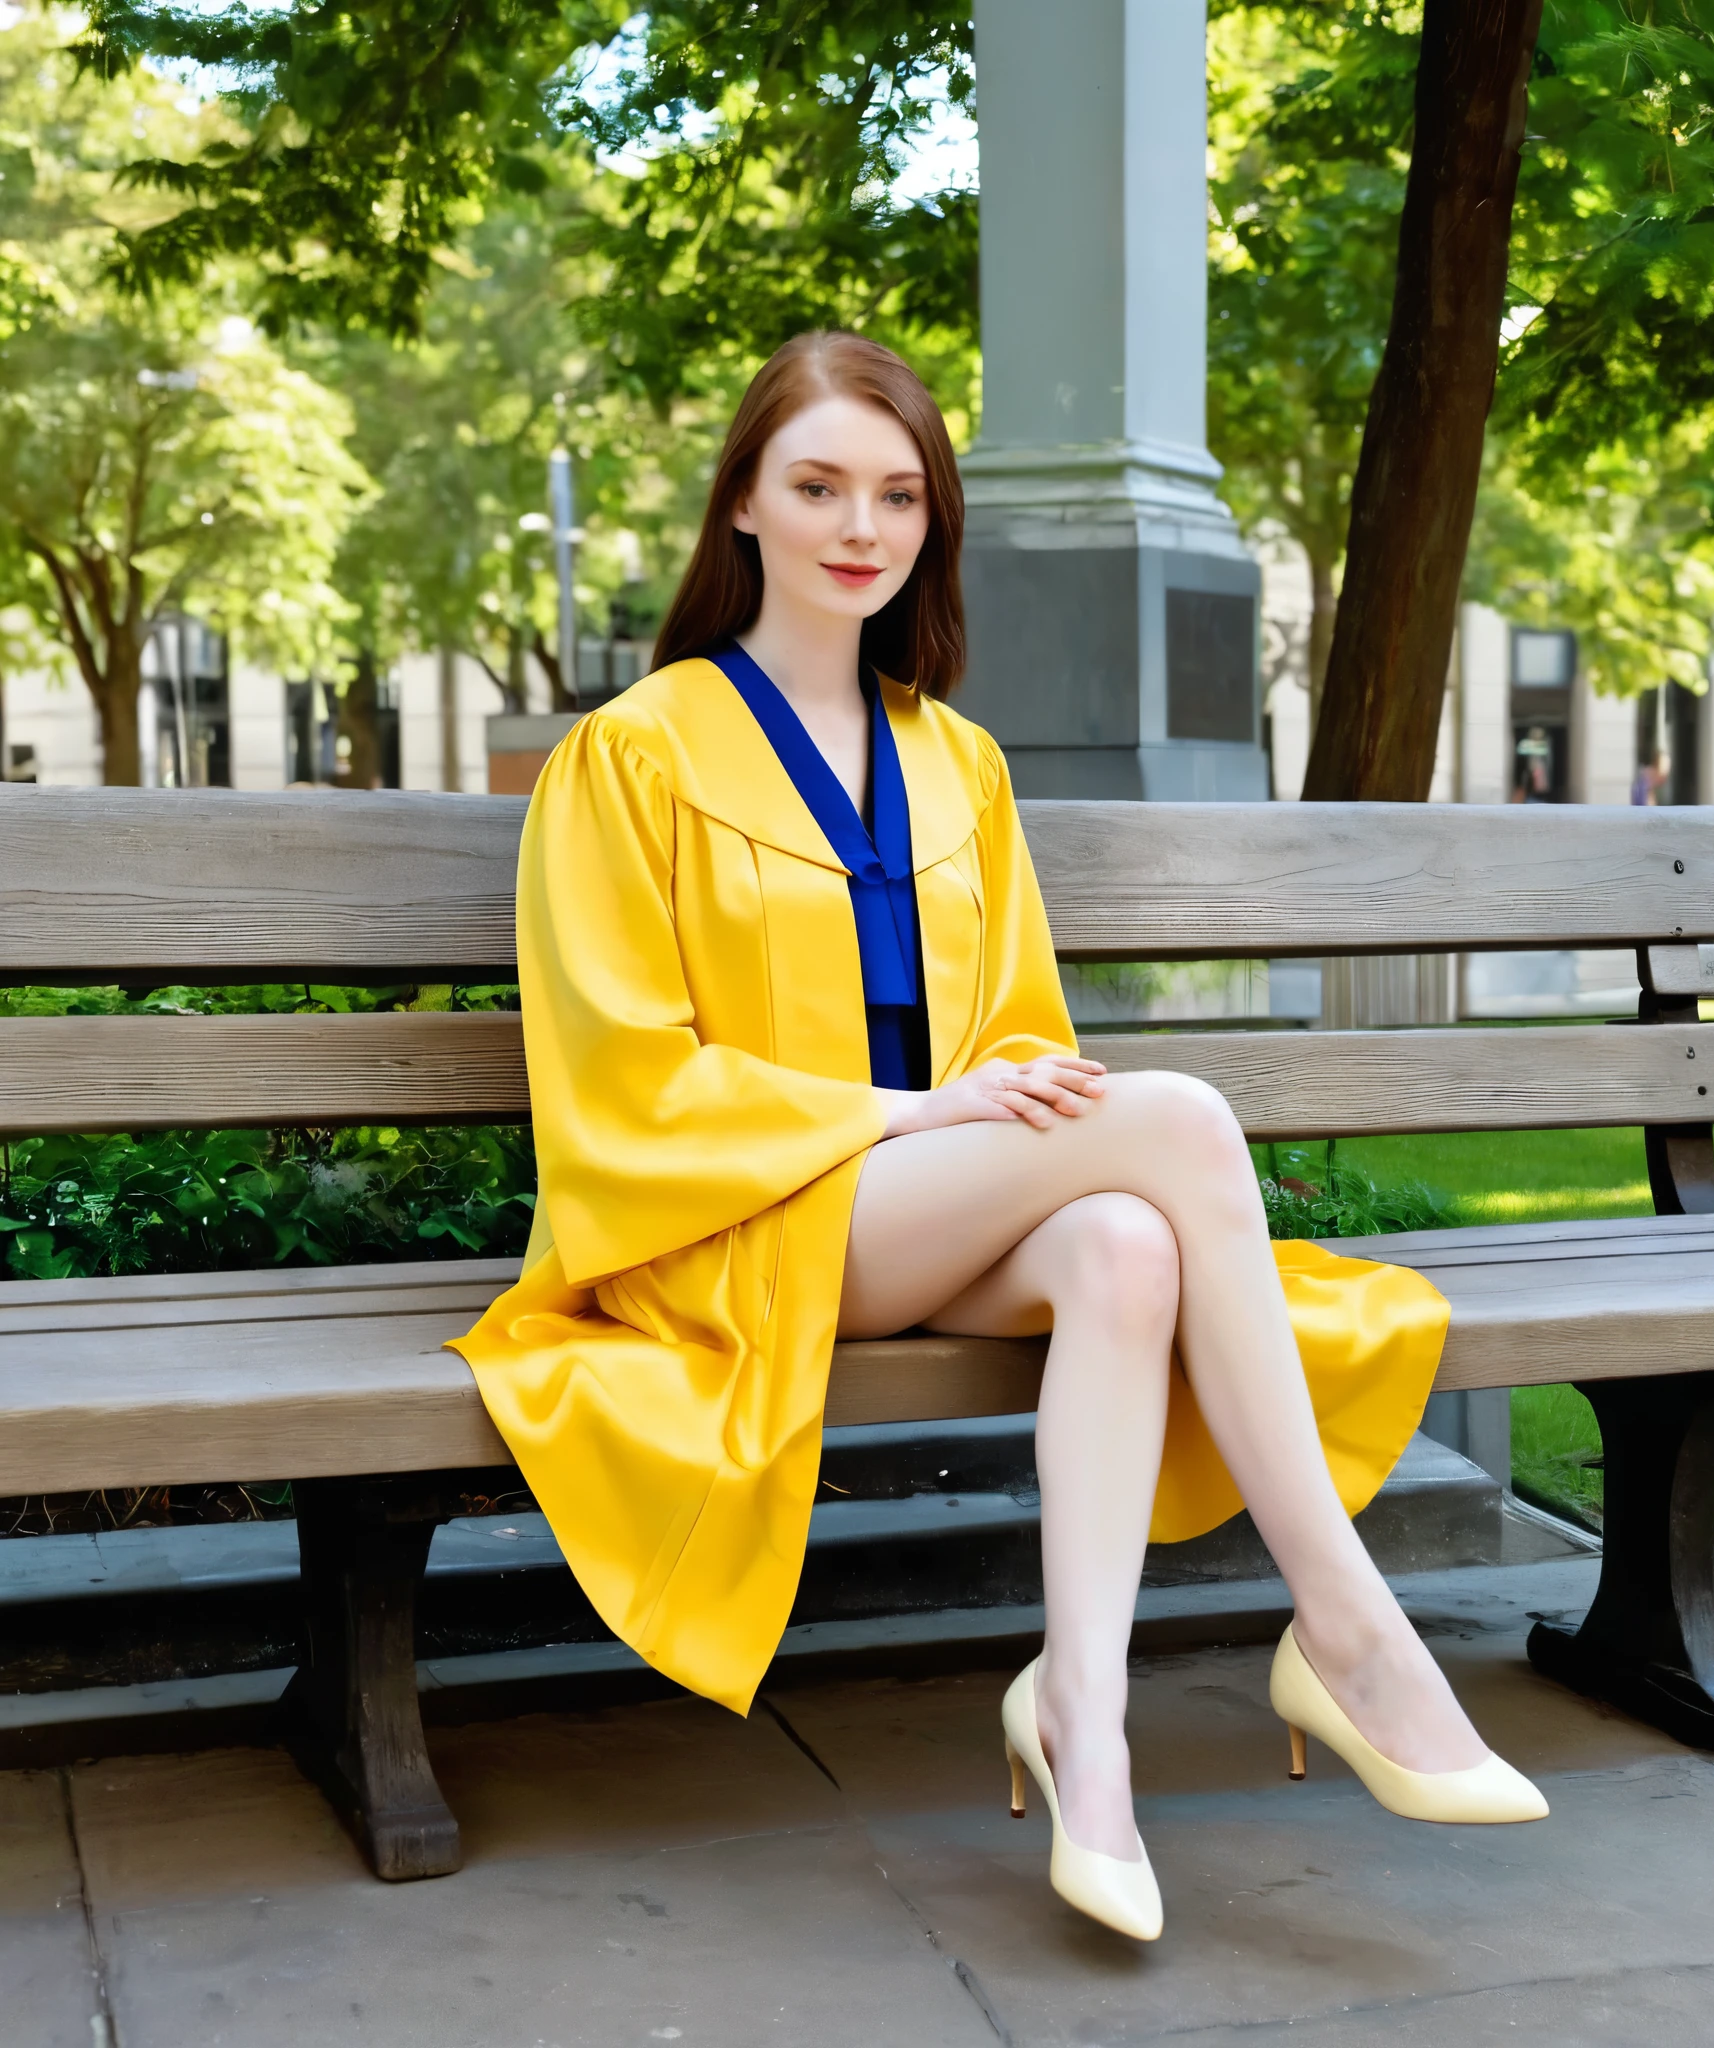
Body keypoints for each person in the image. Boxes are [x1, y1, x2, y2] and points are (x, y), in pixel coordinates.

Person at [454, 332, 1545, 1945]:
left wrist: (969, 1109)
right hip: (745, 1231)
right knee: (1176, 1115)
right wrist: (909, 1112)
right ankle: (1349, 1623)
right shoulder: (634, 756)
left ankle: (1085, 1727)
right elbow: (621, 1085)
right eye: (816, 484)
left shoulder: (958, 763)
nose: (859, 526)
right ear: (743, 503)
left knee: (1122, 1241)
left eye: (898, 494)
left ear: (930, 525)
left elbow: (1021, 1050)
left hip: (929, 1220)